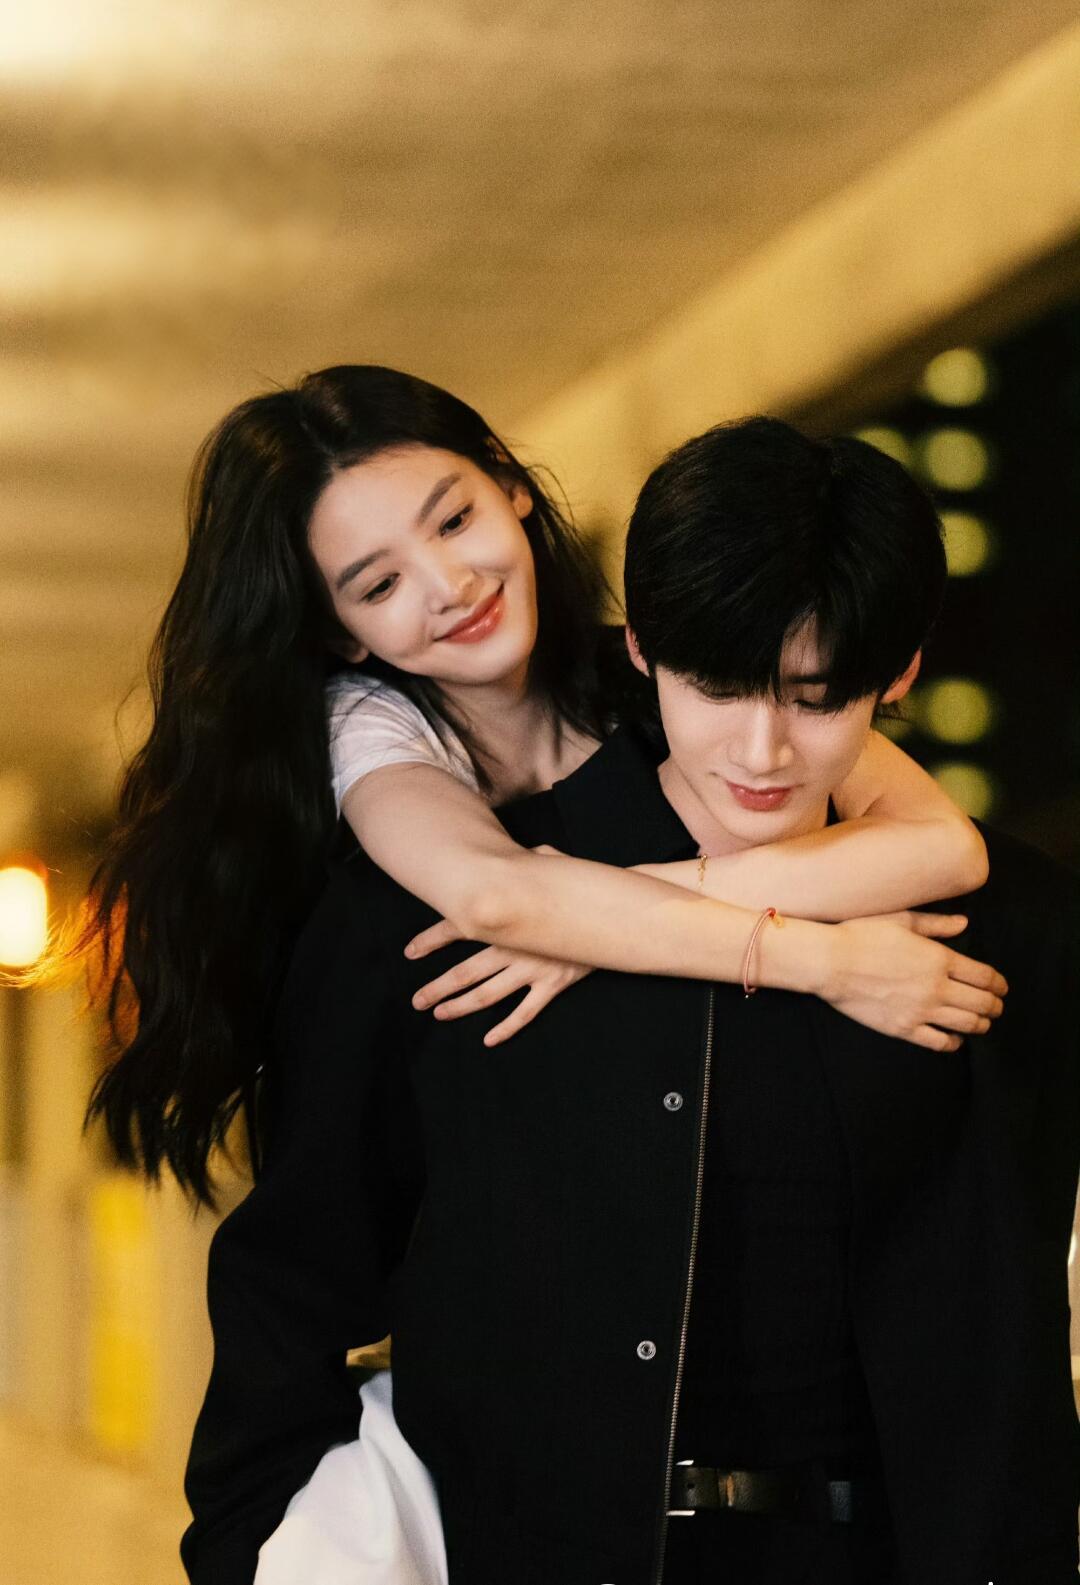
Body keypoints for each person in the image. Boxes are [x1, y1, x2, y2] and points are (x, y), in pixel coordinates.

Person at [182, 415, 1079, 1584]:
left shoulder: (1011, 927)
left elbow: (1020, 1300)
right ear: (644, 649)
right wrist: (255, 1540)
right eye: (719, 688)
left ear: (896, 676)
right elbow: (292, 1281)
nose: (762, 750)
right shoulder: (443, 922)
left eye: (815, 699)